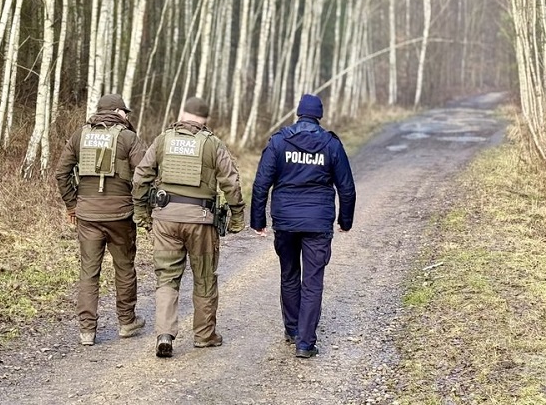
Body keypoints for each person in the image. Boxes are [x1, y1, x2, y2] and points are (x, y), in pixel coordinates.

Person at [132, 96, 246, 358]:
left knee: (166, 277)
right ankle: (204, 335)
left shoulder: (163, 140)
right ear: (205, 119)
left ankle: (164, 334)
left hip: (165, 219)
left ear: (182, 114)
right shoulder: (212, 143)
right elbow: (230, 182)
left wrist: (142, 212)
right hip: (201, 221)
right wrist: (237, 215)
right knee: (204, 278)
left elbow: (140, 178)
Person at [250, 93, 356, 359]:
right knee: (312, 281)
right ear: (319, 115)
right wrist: (345, 221)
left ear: (298, 113)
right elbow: (346, 187)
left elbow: (261, 183)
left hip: (285, 221)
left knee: (289, 274)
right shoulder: (331, 144)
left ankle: (293, 330)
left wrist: (258, 221)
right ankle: (305, 343)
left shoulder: (279, 141)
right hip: (318, 222)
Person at [55, 93, 147, 346]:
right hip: (121, 214)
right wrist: (140, 206)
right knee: (124, 267)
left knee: (89, 272)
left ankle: (87, 331)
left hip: (87, 215)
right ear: (117, 112)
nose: (126, 116)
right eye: (125, 112)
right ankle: (127, 322)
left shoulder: (80, 136)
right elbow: (144, 175)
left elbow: (61, 173)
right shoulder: (128, 137)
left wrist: (72, 205)